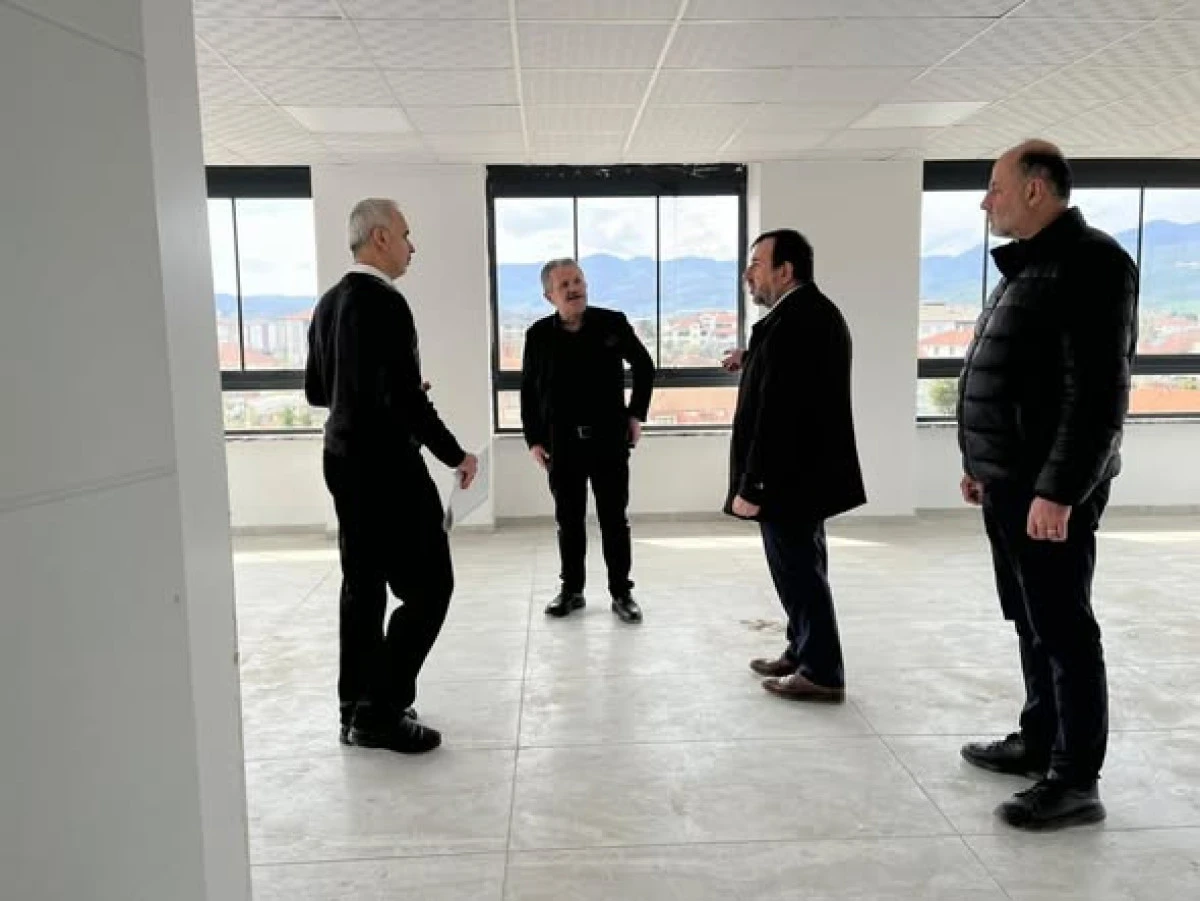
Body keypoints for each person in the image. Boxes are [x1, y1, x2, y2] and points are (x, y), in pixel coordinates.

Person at [957, 141, 1138, 829]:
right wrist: (982, 463)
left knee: (1064, 629)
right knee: (1031, 619)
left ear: (1036, 189)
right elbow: (1010, 375)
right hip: (1011, 481)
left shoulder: (1093, 262)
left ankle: (1075, 778)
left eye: (995, 187)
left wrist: (1059, 492)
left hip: (1047, 490)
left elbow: (1096, 395)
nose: (986, 202)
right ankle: (1039, 738)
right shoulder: (1032, 264)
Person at [304, 198, 478, 754]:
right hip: (386, 467)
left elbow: (316, 391)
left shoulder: (329, 302)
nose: (412, 246)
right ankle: (380, 713)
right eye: (405, 234)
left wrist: (373, 394)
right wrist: (456, 455)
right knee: (431, 588)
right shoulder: (384, 302)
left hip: (341, 459)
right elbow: (403, 399)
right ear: (380, 238)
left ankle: (354, 708)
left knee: (363, 587)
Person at [724, 229, 866, 703]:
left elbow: (779, 413)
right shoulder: (802, 315)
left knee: (800, 573)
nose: (748, 274)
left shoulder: (800, 320)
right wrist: (751, 358)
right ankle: (802, 650)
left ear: (785, 271)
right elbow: (790, 374)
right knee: (800, 568)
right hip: (801, 474)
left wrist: (754, 485)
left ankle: (821, 671)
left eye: (756, 265)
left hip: (790, 477)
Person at [521, 258, 655, 623]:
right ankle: (571, 590)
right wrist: (533, 439)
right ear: (550, 296)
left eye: (577, 281)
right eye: (564, 285)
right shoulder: (538, 335)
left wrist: (635, 414)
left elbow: (644, 366)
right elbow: (529, 392)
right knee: (569, 521)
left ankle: (622, 593)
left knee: (614, 520)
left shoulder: (612, 323)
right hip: (561, 444)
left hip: (609, 440)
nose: (573, 289)